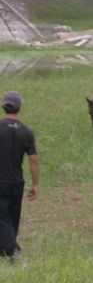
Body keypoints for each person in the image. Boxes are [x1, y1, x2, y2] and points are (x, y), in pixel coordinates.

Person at [0, 91, 39, 262]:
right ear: (19, 108)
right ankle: (9, 254)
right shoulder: (26, 131)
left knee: (2, 218)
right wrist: (35, 184)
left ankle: (13, 251)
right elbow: (33, 160)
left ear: (3, 106)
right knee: (12, 218)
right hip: (17, 182)